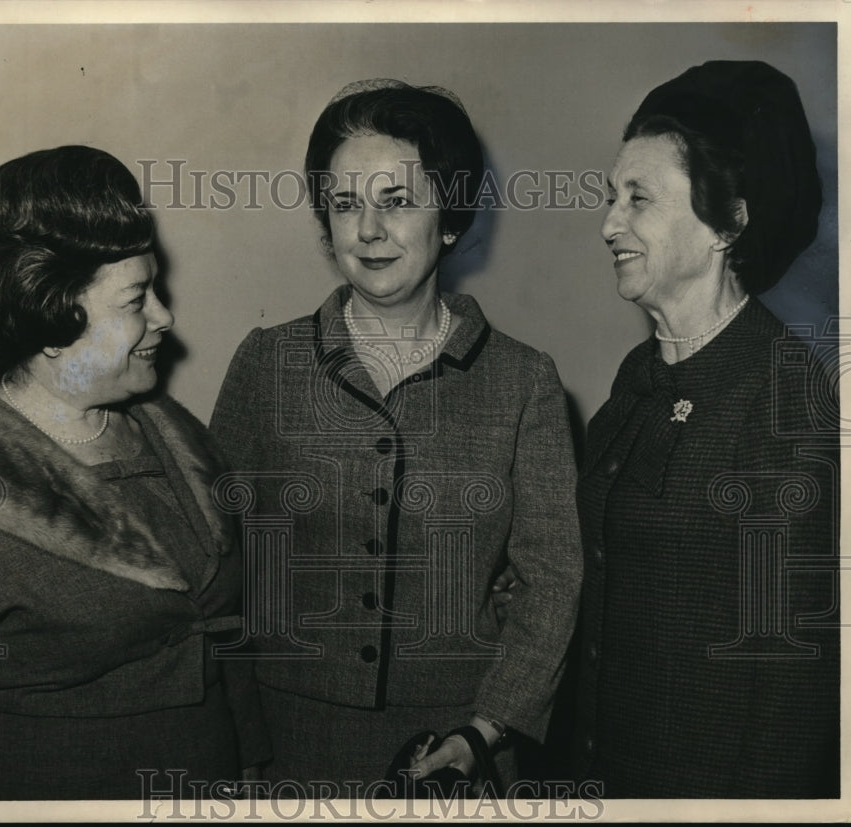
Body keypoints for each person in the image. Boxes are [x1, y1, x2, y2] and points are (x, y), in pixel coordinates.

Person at [209, 79, 582, 794]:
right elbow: (219, 568)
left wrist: (488, 726)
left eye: (397, 201)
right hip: (288, 749)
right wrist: (242, 745)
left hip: (458, 751)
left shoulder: (524, 380)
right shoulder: (267, 362)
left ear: (449, 218)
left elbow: (554, 581)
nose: (368, 231)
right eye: (345, 205)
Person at [0, 145, 270, 799]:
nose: (165, 317)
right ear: (54, 322)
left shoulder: (174, 433)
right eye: (137, 299)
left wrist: (253, 768)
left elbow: (221, 636)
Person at [571, 61, 839, 797]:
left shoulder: (783, 394)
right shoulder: (635, 377)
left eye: (639, 199)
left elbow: (794, 684)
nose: (609, 224)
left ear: (728, 221)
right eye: (610, 197)